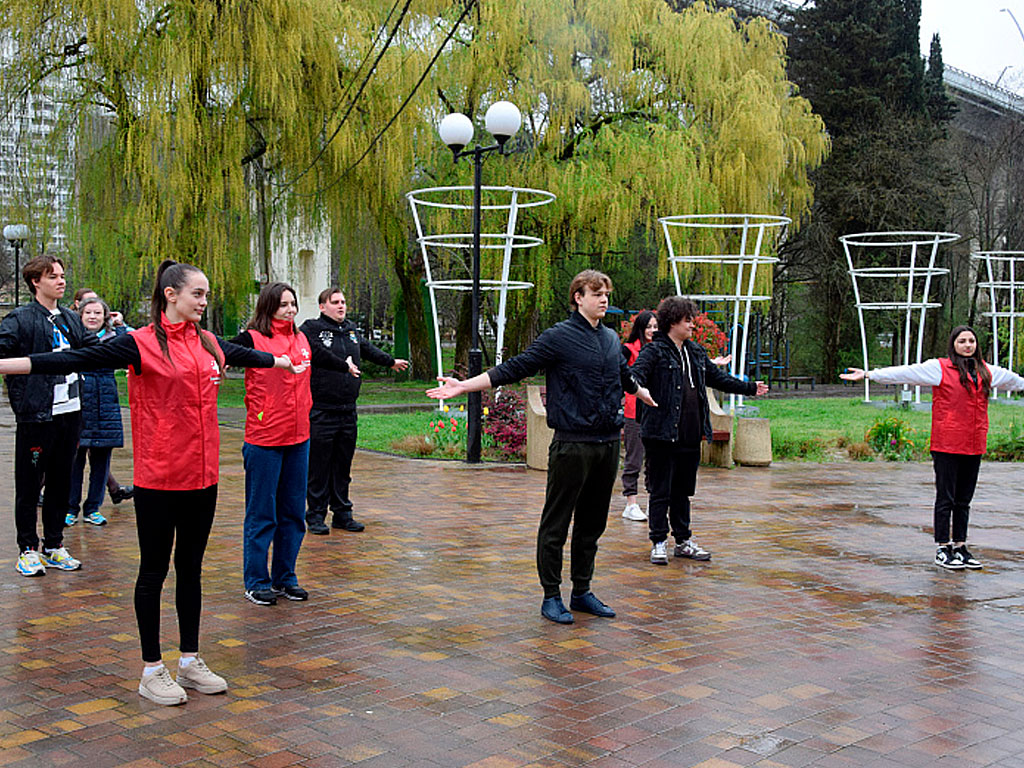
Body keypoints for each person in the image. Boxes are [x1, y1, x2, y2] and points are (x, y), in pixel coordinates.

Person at [0, 260, 301, 706]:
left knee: (191, 571)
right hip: (159, 479)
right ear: (171, 295)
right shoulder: (139, 344)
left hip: (203, 479)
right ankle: (151, 669)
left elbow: (248, 356)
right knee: (154, 572)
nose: (204, 301)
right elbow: (73, 358)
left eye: (206, 294)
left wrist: (281, 361)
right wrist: (8, 363)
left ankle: (190, 661)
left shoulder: (207, 342)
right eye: (198, 293)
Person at [427, 270, 656, 625]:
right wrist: (464, 386)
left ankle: (582, 591)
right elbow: (515, 368)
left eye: (606, 294)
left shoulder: (611, 338)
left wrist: (641, 392)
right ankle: (551, 595)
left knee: (592, 524)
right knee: (556, 523)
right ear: (578, 297)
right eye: (596, 293)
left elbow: (622, 375)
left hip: (608, 443)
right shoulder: (558, 337)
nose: (604, 299)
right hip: (572, 444)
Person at [840, 325, 1024, 570]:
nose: (967, 345)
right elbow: (906, 373)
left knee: (964, 500)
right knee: (946, 498)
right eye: (962, 341)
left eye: (971, 341)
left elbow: (1014, 381)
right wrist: (868, 375)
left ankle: (960, 546)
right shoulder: (940, 368)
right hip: (947, 443)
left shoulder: (986, 371)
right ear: (953, 344)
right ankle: (943, 547)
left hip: (974, 444)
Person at [230, 282, 352, 606]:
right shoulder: (252, 339)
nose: (290, 310)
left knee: (293, 514)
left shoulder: (301, 338)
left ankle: (285, 577)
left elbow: (323, 358)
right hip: (264, 440)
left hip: (299, 438)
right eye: (283, 304)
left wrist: (346, 365)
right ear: (268, 306)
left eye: (293, 304)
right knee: (262, 515)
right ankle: (257, 581)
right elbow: (221, 351)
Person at [631, 297, 768, 566]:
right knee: (660, 491)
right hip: (660, 435)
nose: (693, 325)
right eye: (688, 320)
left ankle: (683, 541)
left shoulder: (695, 351)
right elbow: (634, 376)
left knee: (682, 491)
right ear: (673, 322)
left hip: (691, 435)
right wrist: (639, 390)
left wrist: (749, 388)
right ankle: (658, 542)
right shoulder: (654, 351)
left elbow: (717, 378)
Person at [0, 255, 95, 577]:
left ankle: (54, 545)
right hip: (37, 415)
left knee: (61, 481)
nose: (61, 281)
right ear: (35, 281)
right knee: (29, 485)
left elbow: (93, 349)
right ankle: (27, 548)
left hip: (71, 413)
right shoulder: (20, 318)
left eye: (62, 275)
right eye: (52, 276)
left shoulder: (70, 318)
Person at [299, 288, 408, 534]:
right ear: (322, 306)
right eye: (335, 302)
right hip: (321, 411)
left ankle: (342, 513)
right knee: (319, 467)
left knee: (342, 466)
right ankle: (315, 515)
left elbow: (367, 349)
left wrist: (390, 361)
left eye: (343, 302)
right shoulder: (311, 329)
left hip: (347, 411)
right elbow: (312, 352)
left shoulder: (351, 330)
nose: (341, 306)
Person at [65, 297, 129, 527]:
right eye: (88, 313)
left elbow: (131, 347)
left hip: (106, 404)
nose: (93, 317)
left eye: (98, 313)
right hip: (79, 401)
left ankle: (93, 508)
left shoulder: (114, 338)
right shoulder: (73, 338)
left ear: (105, 317)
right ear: (80, 316)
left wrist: (121, 325)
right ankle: (70, 508)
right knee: (75, 460)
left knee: (101, 463)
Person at [620, 311, 657, 521]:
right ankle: (631, 503)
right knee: (634, 458)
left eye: (656, 327)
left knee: (655, 460)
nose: (653, 331)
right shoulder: (628, 349)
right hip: (634, 411)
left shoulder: (660, 349)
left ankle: (654, 501)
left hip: (656, 412)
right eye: (649, 327)